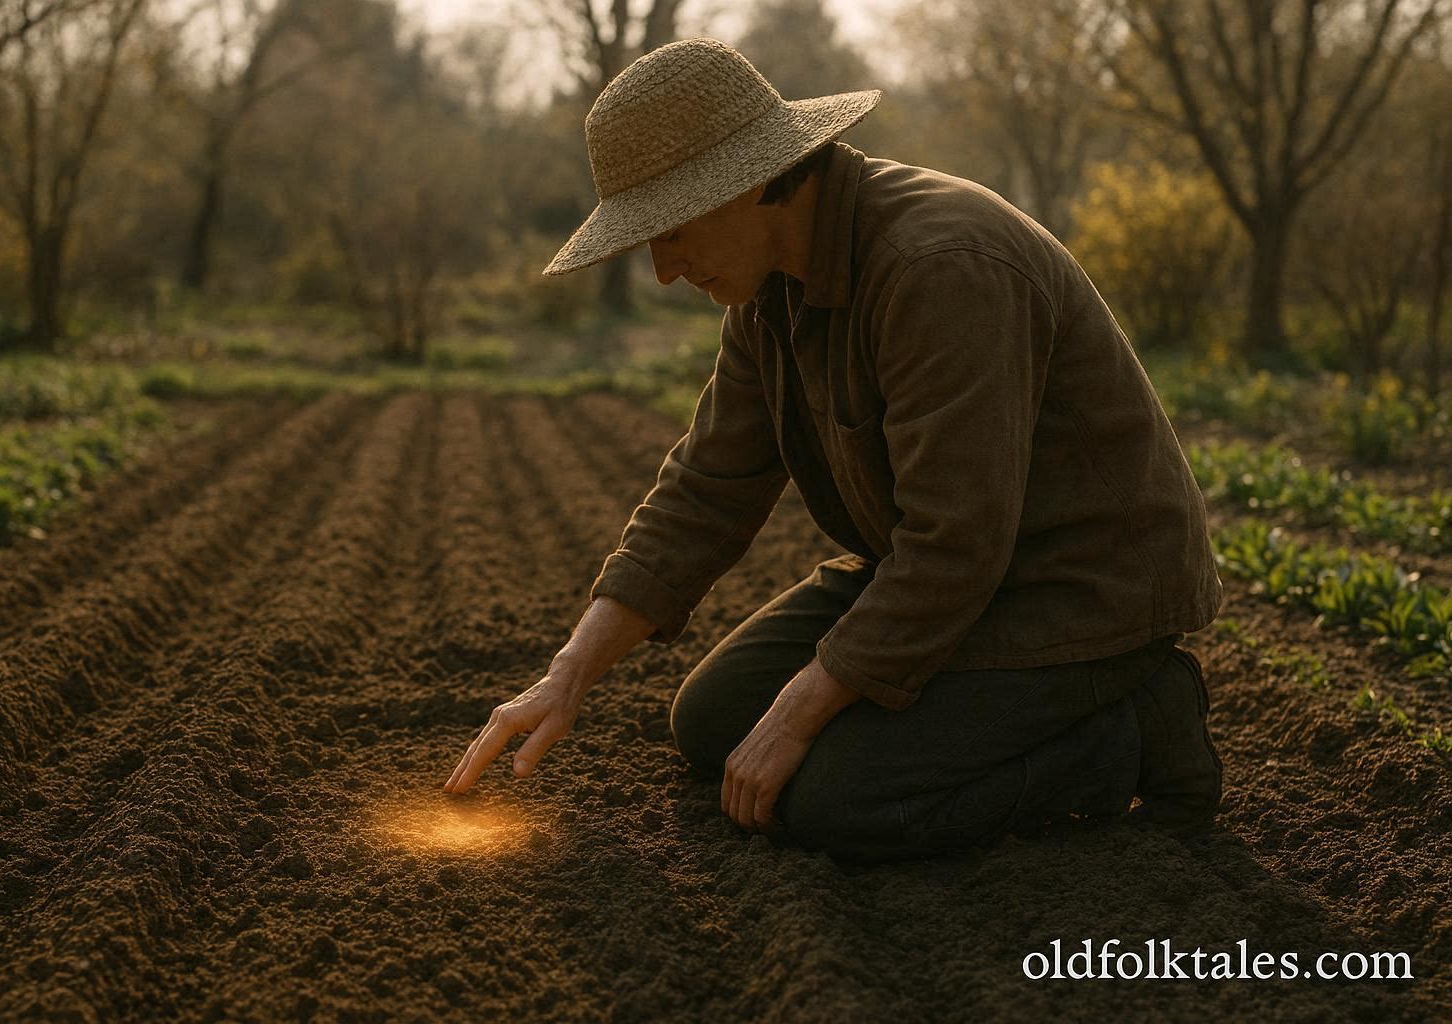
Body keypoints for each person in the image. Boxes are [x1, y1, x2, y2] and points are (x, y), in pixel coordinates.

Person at [443, 37, 1225, 863]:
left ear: (747, 184)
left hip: (1077, 589)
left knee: (840, 801)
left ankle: (1138, 727)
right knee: (713, 720)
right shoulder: (766, 296)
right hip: (946, 575)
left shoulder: (940, 268)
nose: (665, 271)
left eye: (668, 232)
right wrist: (567, 675)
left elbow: (957, 544)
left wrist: (802, 709)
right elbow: (707, 488)